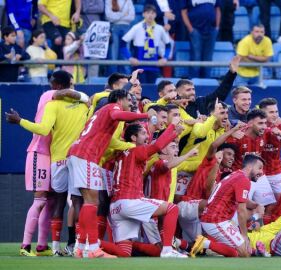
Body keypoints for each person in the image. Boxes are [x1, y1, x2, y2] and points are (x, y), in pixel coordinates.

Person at [4, 70, 86, 257]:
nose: (50, 86)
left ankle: (42, 245)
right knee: (40, 200)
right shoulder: (50, 96)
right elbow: (72, 94)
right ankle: (25, 246)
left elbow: (75, 95)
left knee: (50, 202)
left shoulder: (64, 101)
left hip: (51, 155)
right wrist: (81, 95)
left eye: (52, 82)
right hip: (38, 152)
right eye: (70, 84)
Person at [67, 90, 153, 258]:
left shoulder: (100, 114)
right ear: (119, 99)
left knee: (88, 202)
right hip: (86, 156)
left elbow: (110, 141)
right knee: (92, 203)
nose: (131, 104)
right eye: (129, 100)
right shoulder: (112, 107)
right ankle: (93, 249)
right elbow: (117, 115)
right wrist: (144, 115)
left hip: (77, 154)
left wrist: (129, 146)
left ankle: (81, 247)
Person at [103, 123, 188, 258]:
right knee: (172, 208)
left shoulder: (119, 154)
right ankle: (167, 250)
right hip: (130, 200)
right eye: (143, 133)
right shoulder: (135, 151)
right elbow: (157, 147)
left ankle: (89, 243)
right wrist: (172, 129)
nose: (147, 136)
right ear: (133, 138)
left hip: (115, 207)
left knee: (124, 253)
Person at [191, 154, 265, 258]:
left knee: (239, 252)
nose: (262, 172)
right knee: (245, 254)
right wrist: (244, 235)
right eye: (260, 168)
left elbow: (243, 200)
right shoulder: (243, 180)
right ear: (249, 167)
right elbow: (241, 211)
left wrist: (256, 205)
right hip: (216, 220)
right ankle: (205, 243)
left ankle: (205, 243)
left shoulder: (236, 175)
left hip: (216, 219)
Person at [122, 4, 173, 83]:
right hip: (139, 67)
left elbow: (168, 45)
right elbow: (123, 43)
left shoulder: (159, 28)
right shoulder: (137, 27)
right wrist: (130, 58)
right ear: (143, 14)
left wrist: (165, 58)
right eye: (148, 13)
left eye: (152, 13)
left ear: (155, 15)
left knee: (151, 92)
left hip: (154, 68)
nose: (150, 15)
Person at [180, 0, 220, 77]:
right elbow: (183, 11)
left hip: (211, 30)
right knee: (196, 57)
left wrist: (217, 27)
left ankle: (206, 82)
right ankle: (193, 84)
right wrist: (190, 29)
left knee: (208, 58)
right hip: (196, 30)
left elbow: (218, 9)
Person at [105, 0, 135, 74]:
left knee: (125, 56)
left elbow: (131, 17)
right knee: (113, 55)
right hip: (113, 28)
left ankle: (127, 80)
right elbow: (109, 16)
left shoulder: (128, 1)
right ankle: (113, 79)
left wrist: (117, 15)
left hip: (126, 28)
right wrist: (124, 14)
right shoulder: (108, 1)